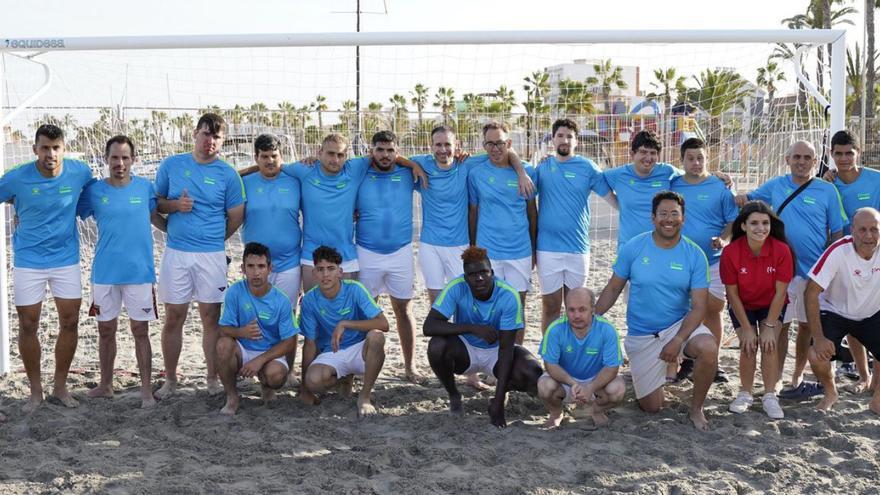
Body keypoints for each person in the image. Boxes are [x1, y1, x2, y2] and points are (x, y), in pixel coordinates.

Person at [595, 191, 718, 431]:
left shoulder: (695, 254)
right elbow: (612, 289)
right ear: (653, 218)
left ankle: (696, 409)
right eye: (663, 214)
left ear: (683, 218)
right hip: (642, 334)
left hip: (677, 326)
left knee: (708, 347)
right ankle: (657, 376)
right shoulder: (634, 247)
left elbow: (700, 306)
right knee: (651, 407)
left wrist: (678, 340)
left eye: (675, 214)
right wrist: (592, 317)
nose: (668, 219)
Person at [736, 140, 847, 397]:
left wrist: (829, 268)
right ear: (787, 159)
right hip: (780, 272)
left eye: (807, 157)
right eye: (796, 156)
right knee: (779, 327)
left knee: (808, 327)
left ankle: (796, 376)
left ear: (815, 161)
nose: (801, 161)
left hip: (813, 274)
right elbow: (747, 201)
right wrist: (726, 184)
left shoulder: (827, 190)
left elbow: (838, 231)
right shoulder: (775, 185)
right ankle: (773, 383)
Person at [0, 124, 94, 412]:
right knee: (28, 325)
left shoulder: (81, 172)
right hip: (28, 262)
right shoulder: (16, 178)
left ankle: (61, 386)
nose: (50, 153)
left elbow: (90, 199)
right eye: (44, 147)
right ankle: (35, 392)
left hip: (65, 260)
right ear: (35, 149)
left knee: (70, 322)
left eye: (56, 147)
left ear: (63, 148)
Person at [259, 133, 427, 291]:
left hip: (346, 256)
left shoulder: (354, 168)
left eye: (340, 155)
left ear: (346, 156)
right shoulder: (304, 169)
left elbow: (385, 155)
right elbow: (272, 166)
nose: (335, 159)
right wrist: (239, 175)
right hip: (312, 255)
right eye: (330, 154)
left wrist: (412, 165)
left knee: (347, 312)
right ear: (320, 153)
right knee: (313, 307)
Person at [154, 112, 246, 398]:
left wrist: (214, 239)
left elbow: (236, 216)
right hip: (177, 253)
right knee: (174, 317)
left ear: (223, 141)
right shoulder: (171, 165)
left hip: (211, 256)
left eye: (216, 136)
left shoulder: (228, 174)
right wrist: (174, 209)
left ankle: (211, 378)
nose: (210, 141)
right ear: (195, 134)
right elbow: (155, 205)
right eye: (206, 134)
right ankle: (170, 379)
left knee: (210, 318)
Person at [78, 135, 165, 409]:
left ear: (133, 160)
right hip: (104, 272)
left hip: (140, 272)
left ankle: (146, 390)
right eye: (114, 157)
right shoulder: (94, 191)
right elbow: (66, 209)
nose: (120, 163)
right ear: (106, 159)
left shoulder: (145, 188)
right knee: (106, 330)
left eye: (125, 157)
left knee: (140, 330)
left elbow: (158, 215)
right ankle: (105, 385)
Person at [412, 125, 533, 305]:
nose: (443, 149)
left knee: (464, 299)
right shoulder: (423, 164)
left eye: (447, 144)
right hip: (430, 244)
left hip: (459, 244)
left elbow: (506, 151)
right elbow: (394, 159)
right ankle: (440, 333)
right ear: (431, 146)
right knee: (436, 302)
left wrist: (522, 173)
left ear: (456, 145)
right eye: (438, 145)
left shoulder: (467, 163)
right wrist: (414, 165)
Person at [423, 246, 542, 427]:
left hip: (496, 351)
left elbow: (506, 349)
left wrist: (498, 402)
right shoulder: (456, 287)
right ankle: (454, 394)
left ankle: (501, 394)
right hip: (466, 349)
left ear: (492, 272)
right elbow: (429, 326)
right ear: (465, 277)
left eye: (484, 272)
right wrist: (472, 328)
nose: (479, 278)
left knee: (533, 374)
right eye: (472, 274)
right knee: (436, 346)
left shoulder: (508, 295)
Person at [534, 119, 618, 334]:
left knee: (577, 309)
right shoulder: (542, 167)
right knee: (551, 307)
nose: (565, 140)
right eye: (560, 135)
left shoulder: (588, 168)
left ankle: (575, 355)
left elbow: (614, 200)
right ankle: (550, 358)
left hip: (577, 249)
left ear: (576, 141)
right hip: (547, 249)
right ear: (552, 139)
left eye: (569, 136)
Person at [670, 138, 739, 383]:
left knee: (713, 310)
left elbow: (732, 219)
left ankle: (713, 362)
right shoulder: (674, 184)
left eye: (700, 157)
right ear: (682, 161)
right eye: (691, 158)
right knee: (683, 309)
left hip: (714, 260)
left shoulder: (720, 186)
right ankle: (684, 361)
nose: (696, 163)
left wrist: (723, 239)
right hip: (682, 260)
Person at [720, 201, 793, 419]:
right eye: (754, 223)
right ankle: (745, 393)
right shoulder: (731, 252)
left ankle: (770, 396)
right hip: (743, 304)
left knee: (769, 344)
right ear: (743, 226)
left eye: (765, 223)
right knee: (748, 345)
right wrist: (746, 328)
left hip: (772, 305)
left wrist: (769, 326)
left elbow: (781, 293)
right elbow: (732, 294)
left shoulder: (781, 250)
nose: (760, 228)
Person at [355, 131, 419, 381]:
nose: (385, 155)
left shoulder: (407, 173)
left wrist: (411, 163)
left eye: (390, 150)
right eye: (380, 150)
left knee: (404, 309)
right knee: (368, 311)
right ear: (372, 151)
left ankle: (410, 366)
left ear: (397, 151)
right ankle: (362, 365)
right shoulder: (360, 174)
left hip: (400, 252)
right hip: (366, 252)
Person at [240, 134, 302, 385]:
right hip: (255, 266)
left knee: (288, 317)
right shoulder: (244, 182)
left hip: (288, 263)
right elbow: (228, 176)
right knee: (253, 317)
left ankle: (288, 370)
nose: (269, 161)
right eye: (264, 157)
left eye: (274, 156)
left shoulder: (295, 181)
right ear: (256, 158)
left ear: (281, 156)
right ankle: (249, 370)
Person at [467, 121, 537, 343]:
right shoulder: (476, 173)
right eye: (490, 143)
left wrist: (534, 249)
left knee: (517, 306)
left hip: (520, 251)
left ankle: (514, 358)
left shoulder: (527, 173)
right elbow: (473, 212)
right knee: (489, 306)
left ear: (509, 143)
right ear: (484, 145)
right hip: (490, 252)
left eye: (499, 143)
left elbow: (532, 214)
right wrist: (473, 247)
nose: (495, 148)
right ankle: (492, 361)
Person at [806, 208, 880, 415]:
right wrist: (818, 337)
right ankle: (831, 393)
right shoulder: (839, 250)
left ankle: (877, 399)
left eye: (874, 230)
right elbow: (811, 291)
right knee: (816, 354)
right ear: (853, 231)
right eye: (863, 230)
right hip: (835, 311)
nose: (869, 235)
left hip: (872, 312)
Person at [299, 246, 389, 416]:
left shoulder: (355, 289)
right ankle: (345, 379)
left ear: (340, 272)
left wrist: (345, 324)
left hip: (359, 349)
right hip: (333, 351)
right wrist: (305, 389)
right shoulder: (309, 300)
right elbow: (309, 344)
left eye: (331, 269)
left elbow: (383, 324)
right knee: (313, 381)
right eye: (320, 269)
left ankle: (365, 396)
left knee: (377, 337)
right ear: (314, 274)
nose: (326, 274)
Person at [216, 242, 298, 416]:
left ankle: (267, 387)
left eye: (261, 266)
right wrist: (241, 332)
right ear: (243, 269)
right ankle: (232, 396)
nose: (256, 272)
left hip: (269, 353)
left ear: (270, 268)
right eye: (250, 266)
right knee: (223, 345)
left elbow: (290, 342)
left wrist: (260, 360)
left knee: (275, 376)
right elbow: (223, 328)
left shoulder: (281, 300)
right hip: (243, 350)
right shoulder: (235, 291)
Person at [826, 130, 879, 392]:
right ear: (832, 154)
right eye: (839, 153)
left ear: (858, 153)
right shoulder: (828, 183)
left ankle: (875, 382)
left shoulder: (875, 180)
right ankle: (863, 375)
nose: (844, 158)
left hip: (875, 257)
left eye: (849, 153)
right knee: (850, 317)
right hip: (844, 259)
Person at [538, 288, 625, 428]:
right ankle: (556, 413)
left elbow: (612, 367)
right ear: (565, 310)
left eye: (582, 309)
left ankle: (596, 411)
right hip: (566, 382)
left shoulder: (607, 329)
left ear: (592, 309)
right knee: (544, 385)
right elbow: (550, 364)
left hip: (596, 382)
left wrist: (590, 388)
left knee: (618, 389)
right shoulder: (555, 329)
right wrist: (573, 384)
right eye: (571, 310)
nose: (576, 315)